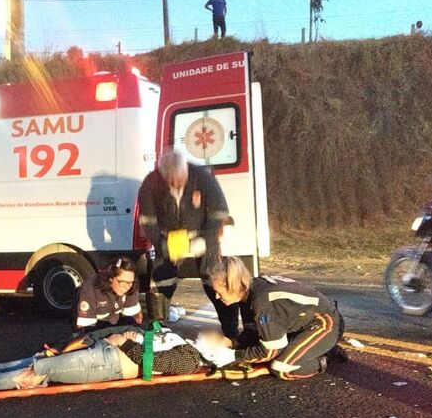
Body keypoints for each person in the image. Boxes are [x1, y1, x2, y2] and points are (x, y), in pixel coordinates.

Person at [138, 147, 246, 340]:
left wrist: (205, 241)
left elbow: (219, 212)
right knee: (162, 281)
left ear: (186, 170)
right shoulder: (150, 183)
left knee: (215, 281)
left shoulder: (203, 176)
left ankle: (231, 332)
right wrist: (163, 245)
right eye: (170, 181)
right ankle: (157, 329)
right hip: (169, 237)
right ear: (162, 175)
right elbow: (148, 222)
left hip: (202, 234)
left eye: (179, 179)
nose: (175, 184)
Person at [201, 257, 346, 381]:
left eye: (219, 292)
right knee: (264, 353)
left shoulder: (261, 301)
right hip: (305, 323)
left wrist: (234, 355)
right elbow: (252, 334)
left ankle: (326, 357)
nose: (216, 297)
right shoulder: (248, 292)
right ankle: (316, 348)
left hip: (327, 323)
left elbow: (270, 351)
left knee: (282, 368)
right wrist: (231, 343)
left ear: (232, 286)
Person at [0, 327, 204, 394]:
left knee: (39, 370)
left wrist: (124, 342)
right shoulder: (183, 341)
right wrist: (132, 336)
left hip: (108, 363)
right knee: (41, 359)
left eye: (217, 337)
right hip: (106, 351)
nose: (210, 333)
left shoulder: (192, 359)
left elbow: (157, 364)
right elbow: (152, 347)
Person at [74, 257, 143, 333]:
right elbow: (84, 328)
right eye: (122, 282)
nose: (126, 287)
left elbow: (136, 317)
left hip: (115, 320)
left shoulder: (131, 286)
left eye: (130, 282)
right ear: (110, 278)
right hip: (93, 324)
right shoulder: (90, 289)